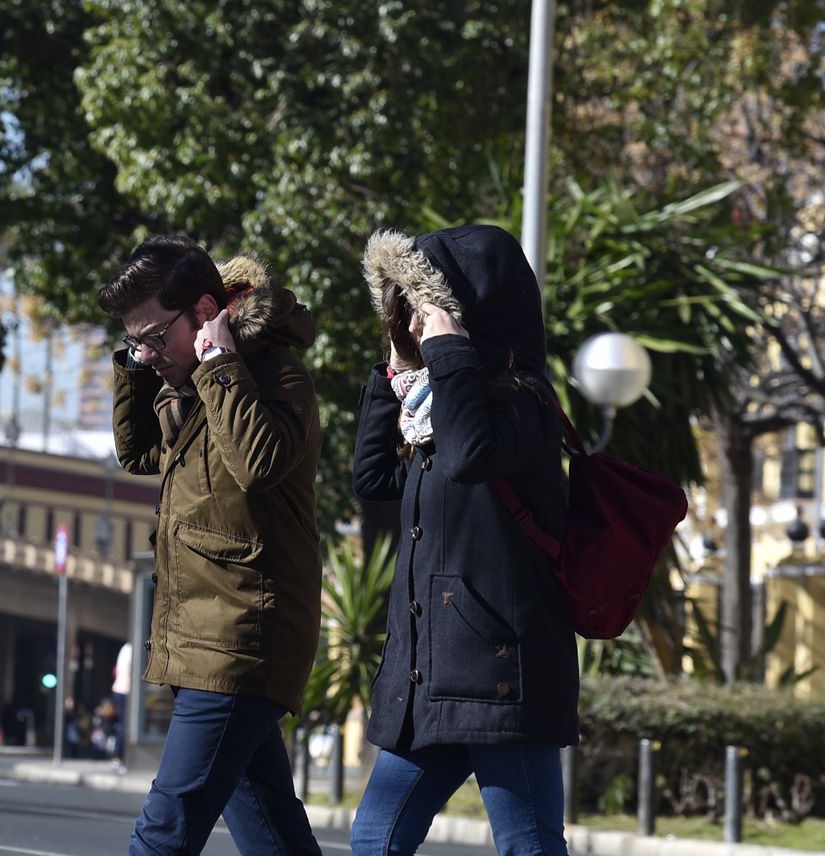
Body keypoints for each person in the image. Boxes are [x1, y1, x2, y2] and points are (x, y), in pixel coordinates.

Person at [350, 225, 575, 856]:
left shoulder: (525, 401)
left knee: (528, 845)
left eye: (429, 308)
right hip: (432, 679)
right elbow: (371, 477)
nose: (420, 324)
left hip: (503, 678)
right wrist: (395, 366)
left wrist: (449, 356)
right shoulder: (436, 408)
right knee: (373, 841)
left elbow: (473, 455)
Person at [101, 236, 324, 856]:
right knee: (271, 832)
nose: (145, 355)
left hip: (241, 638)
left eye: (151, 337)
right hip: (206, 634)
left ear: (204, 313)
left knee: (163, 833)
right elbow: (140, 451)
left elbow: (258, 463)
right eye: (133, 341)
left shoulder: (276, 376)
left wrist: (219, 366)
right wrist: (136, 366)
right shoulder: (189, 384)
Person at [110, 641, 132, 773]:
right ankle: (119, 758)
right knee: (124, 726)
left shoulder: (126, 648)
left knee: (122, 725)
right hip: (125, 690)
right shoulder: (131, 648)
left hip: (121, 689)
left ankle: (118, 758)